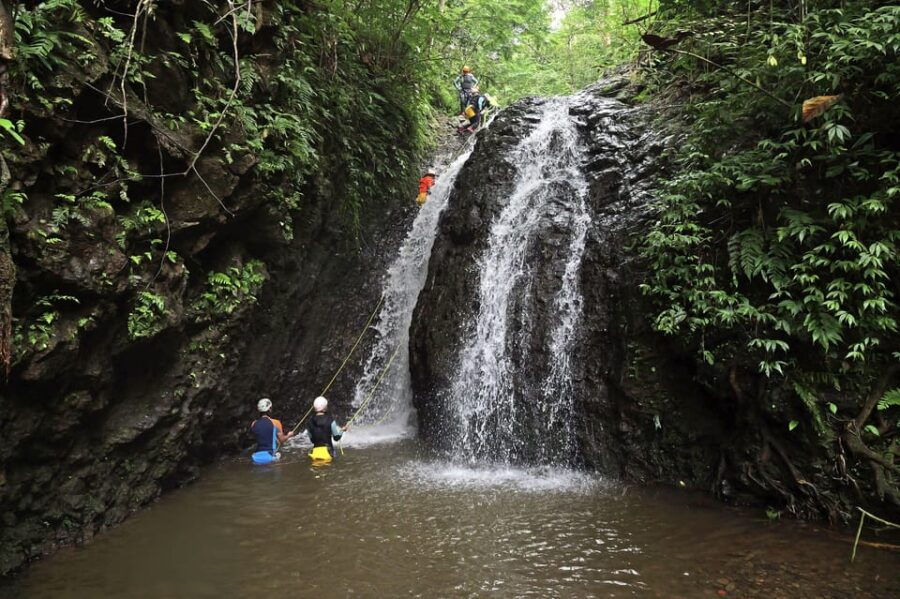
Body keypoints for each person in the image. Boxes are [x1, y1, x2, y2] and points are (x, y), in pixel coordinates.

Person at [249, 398, 295, 464]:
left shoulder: (254, 423)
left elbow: (261, 435)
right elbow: (282, 440)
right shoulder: (275, 422)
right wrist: (289, 435)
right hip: (270, 456)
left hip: (255, 457)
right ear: (270, 409)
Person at [307, 396, 347, 463]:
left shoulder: (309, 422)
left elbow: (312, 440)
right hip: (328, 452)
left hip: (315, 452)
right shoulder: (331, 421)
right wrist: (342, 430)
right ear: (325, 407)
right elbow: (336, 437)